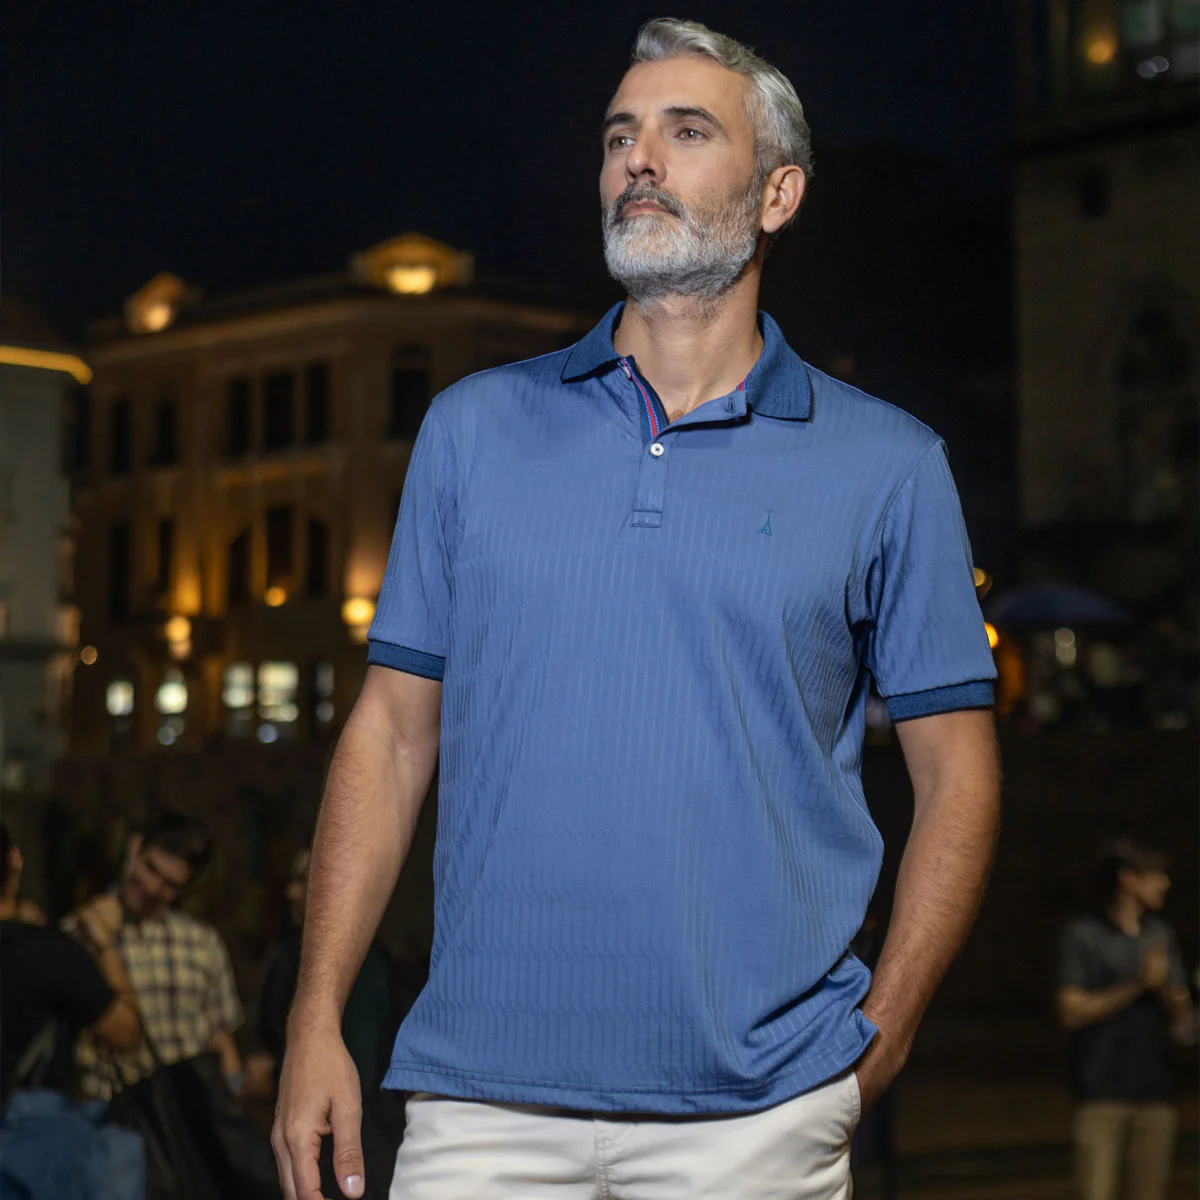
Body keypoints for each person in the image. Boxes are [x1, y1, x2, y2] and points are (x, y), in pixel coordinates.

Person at [274, 19, 1002, 1200]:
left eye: (686, 131)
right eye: (620, 136)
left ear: (778, 195)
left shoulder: (890, 465)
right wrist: (316, 1020)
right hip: (480, 1108)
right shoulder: (473, 430)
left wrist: (881, 1042)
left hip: (757, 1117)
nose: (639, 159)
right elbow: (393, 735)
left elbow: (957, 776)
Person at [249, 849, 402, 1199]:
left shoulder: (362, 968)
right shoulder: (292, 954)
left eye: (304, 881)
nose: (291, 892)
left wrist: (274, 1075)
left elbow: (361, 1065)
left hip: (348, 1142)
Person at [66, 812, 246, 1102]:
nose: (152, 888)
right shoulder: (79, 934)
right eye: (150, 868)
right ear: (135, 850)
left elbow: (222, 1039)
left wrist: (234, 1098)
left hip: (185, 1111)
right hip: (109, 1110)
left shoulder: (202, 942)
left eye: (169, 884)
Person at [1058, 839, 1194, 1200]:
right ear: (1128, 879)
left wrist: (1165, 988)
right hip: (1100, 1093)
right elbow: (1071, 1011)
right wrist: (1136, 985)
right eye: (1156, 875)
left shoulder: (1161, 935)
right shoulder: (1085, 935)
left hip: (1157, 1094)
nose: (1165, 883)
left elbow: (1183, 1021)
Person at [1, 823, 142, 1108]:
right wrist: (105, 946)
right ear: (15, 858)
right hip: (28, 1126)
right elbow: (126, 1032)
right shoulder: (52, 952)